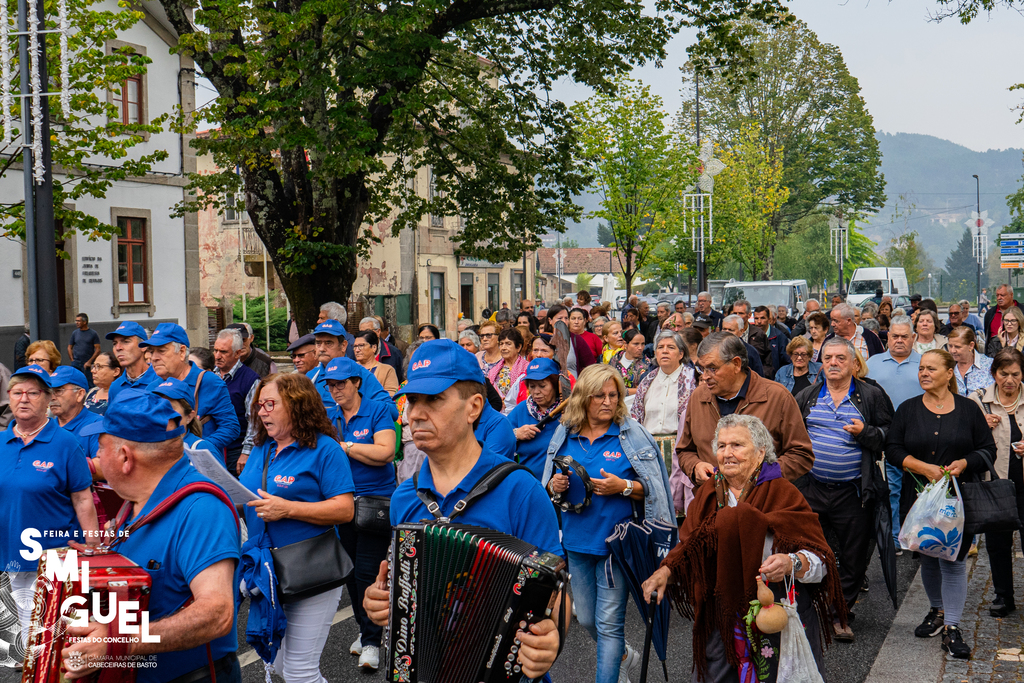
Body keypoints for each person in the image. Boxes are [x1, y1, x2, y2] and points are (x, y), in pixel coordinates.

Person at [364, 340, 566, 681]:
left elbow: (555, 592)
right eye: (413, 400)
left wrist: (552, 639)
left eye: (435, 400)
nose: (415, 413)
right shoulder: (404, 497)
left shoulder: (519, 489)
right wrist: (380, 600)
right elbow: (401, 584)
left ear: (474, 407)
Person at [643, 414, 844, 683]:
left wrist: (791, 562)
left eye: (737, 445)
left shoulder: (783, 492)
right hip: (722, 612)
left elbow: (820, 560)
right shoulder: (707, 495)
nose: (727, 453)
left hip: (776, 610)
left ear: (761, 453)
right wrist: (664, 573)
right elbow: (687, 548)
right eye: (722, 446)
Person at [63, 390, 239, 683]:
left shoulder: (202, 509)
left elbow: (217, 613)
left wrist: (118, 644)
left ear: (124, 457)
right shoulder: (135, 500)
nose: (95, 459)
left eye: (99, 450)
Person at [544, 364, 673, 683]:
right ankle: (626, 656)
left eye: (613, 395)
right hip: (576, 541)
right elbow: (547, 482)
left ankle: (612, 671)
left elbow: (656, 488)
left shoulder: (631, 433)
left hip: (616, 545)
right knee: (586, 618)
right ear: (583, 399)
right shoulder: (565, 432)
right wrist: (553, 486)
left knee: (608, 623)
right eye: (599, 395)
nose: (607, 401)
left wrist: (624, 487)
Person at [238, 372, 355, 683]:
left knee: (300, 673)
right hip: (268, 572)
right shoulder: (263, 447)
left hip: (311, 570)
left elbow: (345, 509)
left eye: (270, 404)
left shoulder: (325, 449)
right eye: (259, 405)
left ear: (297, 405)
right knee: (276, 665)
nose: (262, 411)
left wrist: (287, 508)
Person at [885, 349, 997, 659]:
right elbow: (892, 449)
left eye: (931, 369)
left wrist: (963, 462)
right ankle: (936, 610)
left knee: (954, 560)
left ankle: (952, 627)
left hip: (958, 500)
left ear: (949, 373)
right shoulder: (907, 409)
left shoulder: (968, 410)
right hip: (919, 497)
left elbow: (988, 450)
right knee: (928, 556)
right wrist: (922, 467)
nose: (924, 373)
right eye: (921, 368)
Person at [794, 337, 893, 641]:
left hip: (854, 491)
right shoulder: (808, 395)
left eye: (839, 358)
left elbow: (890, 435)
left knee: (853, 557)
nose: (833, 363)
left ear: (853, 362)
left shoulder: (871, 396)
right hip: (811, 488)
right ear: (820, 363)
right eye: (827, 358)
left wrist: (867, 433)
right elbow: (792, 436)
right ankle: (812, 610)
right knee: (808, 552)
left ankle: (841, 613)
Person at [2, 365, 98, 651]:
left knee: (70, 637)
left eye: (33, 393)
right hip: (14, 555)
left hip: (60, 555)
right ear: (9, 397)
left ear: (47, 400)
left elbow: (83, 498)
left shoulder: (66, 443)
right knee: (33, 637)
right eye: (18, 392)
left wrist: (92, 544)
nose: (24, 399)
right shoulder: (0, 443)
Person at [321, 358, 396, 671]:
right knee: (350, 572)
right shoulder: (330, 415)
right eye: (331, 384)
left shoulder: (377, 410)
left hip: (374, 504)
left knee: (368, 571)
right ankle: (367, 630)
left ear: (357, 383)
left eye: (342, 383)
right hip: (343, 503)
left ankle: (371, 643)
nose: (336, 389)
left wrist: (347, 447)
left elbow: (385, 453)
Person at [677, 332, 814, 487]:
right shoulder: (698, 397)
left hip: (761, 503)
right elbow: (684, 450)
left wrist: (762, 476)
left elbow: (801, 455)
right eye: (702, 369)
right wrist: (695, 467)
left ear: (736, 364)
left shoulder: (777, 397)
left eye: (712, 368)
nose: (705, 376)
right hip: (712, 502)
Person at [968, 347, 1024, 619]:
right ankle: (1004, 596)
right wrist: (980, 426)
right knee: (998, 544)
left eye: (1015, 374)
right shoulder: (978, 401)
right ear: (993, 374)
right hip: (996, 485)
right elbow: (965, 442)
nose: (1009, 380)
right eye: (1004, 374)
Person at [865, 315, 923, 551]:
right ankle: (896, 537)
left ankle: (922, 534)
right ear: (887, 337)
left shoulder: (925, 363)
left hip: (921, 434)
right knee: (893, 488)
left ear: (914, 338)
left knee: (923, 487)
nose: (899, 341)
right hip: (887, 437)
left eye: (905, 337)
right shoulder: (873, 364)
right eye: (895, 336)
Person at [141, 323, 241, 455]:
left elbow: (230, 427)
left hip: (199, 467)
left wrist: (199, 449)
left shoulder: (209, 382)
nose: (154, 357)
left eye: (161, 351)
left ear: (182, 352)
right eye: (152, 351)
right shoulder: (152, 388)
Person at [630, 331, 697, 516]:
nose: (664, 351)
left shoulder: (692, 380)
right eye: (660, 348)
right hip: (650, 451)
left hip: (680, 449)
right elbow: (637, 417)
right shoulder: (647, 382)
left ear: (681, 354)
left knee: (678, 511)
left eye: (671, 347)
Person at [304, 319, 396, 419]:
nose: (322, 348)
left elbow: (391, 411)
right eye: (318, 343)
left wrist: (357, 408)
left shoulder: (359, 373)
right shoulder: (310, 377)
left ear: (343, 346)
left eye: (328, 343)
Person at [212, 328, 261, 475]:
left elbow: (255, 420)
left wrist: (246, 452)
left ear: (238, 353)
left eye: (224, 352)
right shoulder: (209, 375)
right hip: (212, 446)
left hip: (236, 449)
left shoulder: (250, 380)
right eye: (215, 351)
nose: (217, 356)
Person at [508, 358, 565, 479]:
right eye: (532, 386)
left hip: (562, 485)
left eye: (542, 386)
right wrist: (516, 433)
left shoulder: (567, 411)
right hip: (529, 483)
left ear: (555, 385)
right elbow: (499, 438)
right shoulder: (522, 409)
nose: (536, 392)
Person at [148, 377, 218, 453]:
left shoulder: (202, 449)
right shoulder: (148, 445)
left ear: (189, 416)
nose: (161, 412)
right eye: (157, 406)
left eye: (170, 407)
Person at [50, 366, 103, 459]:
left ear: (80, 394)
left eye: (58, 391)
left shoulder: (97, 425)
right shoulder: (46, 426)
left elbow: (103, 466)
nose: (52, 397)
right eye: (49, 392)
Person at [107, 321, 159, 402]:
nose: (118, 348)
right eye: (114, 343)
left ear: (143, 346)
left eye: (126, 342)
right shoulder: (115, 387)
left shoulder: (160, 381)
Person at [488, 328, 529, 414]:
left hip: (520, 411)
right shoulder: (494, 370)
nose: (503, 348)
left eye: (508, 344)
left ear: (518, 347)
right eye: (501, 344)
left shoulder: (527, 368)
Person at [352, 330, 400, 396]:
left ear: (374, 347)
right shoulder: (350, 368)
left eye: (361, 345)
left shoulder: (387, 370)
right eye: (355, 346)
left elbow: (391, 396)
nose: (357, 350)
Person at [358, 317, 404, 382]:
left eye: (368, 332)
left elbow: (400, 378)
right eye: (361, 333)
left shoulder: (393, 352)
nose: (364, 336)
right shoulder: (356, 351)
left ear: (378, 332)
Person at [609, 329, 653, 396]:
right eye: (636, 344)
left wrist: (625, 391)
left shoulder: (647, 364)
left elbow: (647, 389)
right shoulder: (616, 359)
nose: (640, 347)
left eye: (643, 344)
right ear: (625, 344)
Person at [752, 305, 791, 378]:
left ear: (769, 319)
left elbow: (786, 361)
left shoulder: (779, 336)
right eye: (756, 318)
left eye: (762, 318)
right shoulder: (751, 336)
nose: (759, 321)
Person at [67, 313, 101, 379]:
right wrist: (72, 360)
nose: (76, 323)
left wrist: (89, 362)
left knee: (88, 382)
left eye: (78, 321)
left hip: (87, 364)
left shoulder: (93, 333)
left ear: (84, 322)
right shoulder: (75, 333)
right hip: (76, 363)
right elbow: (69, 347)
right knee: (76, 381)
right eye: (76, 321)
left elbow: (98, 350)